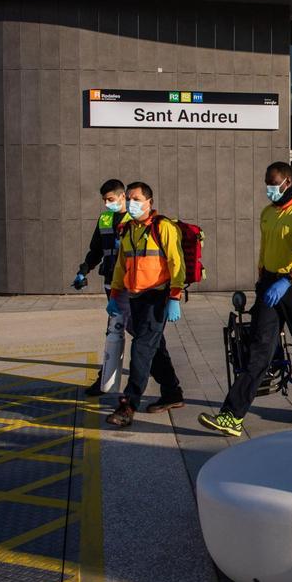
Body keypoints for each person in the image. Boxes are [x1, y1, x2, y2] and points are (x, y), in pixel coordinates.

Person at [198, 161, 292, 436]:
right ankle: (232, 416)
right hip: (270, 287)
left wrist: (287, 280)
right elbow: (265, 251)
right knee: (258, 351)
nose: (269, 189)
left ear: (287, 182)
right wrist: (263, 281)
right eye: (266, 184)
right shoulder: (267, 213)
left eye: (272, 184)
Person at [105, 182, 186, 427]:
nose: (132, 203)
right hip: (136, 298)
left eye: (137, 198)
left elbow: (176, 263)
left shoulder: (163, 227)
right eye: (129, 198)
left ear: (149, 202)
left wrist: (174, 297)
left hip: (157, 298)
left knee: (141, 348)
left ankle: (128, 405)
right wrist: (115, 294)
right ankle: (172, 393)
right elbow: (122, 264)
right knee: (154, 347)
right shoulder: (128, 229)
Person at [74, 179, 132, 396]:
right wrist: (84, 270)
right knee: (114, 331)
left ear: (122, 195)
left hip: (133, 285)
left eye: (111, 199)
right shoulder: (105, 218)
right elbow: (96, 249)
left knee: (141, 334)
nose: (108, 204)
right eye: (105, 200)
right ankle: (105, 380)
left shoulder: (135, 218)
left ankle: (169, 386)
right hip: (111, 283)